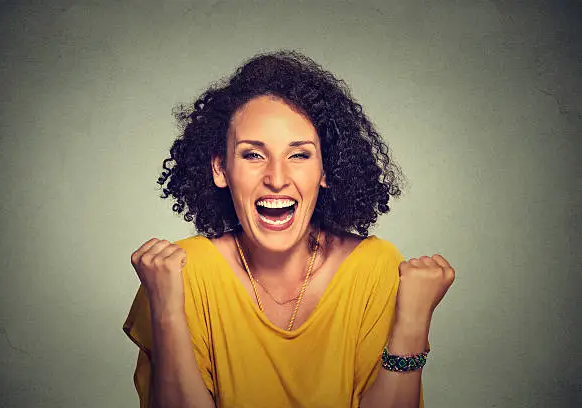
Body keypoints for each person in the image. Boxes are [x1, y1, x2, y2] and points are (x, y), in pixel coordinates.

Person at [123, 50, 455, 408]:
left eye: (299, 155)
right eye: (253, 154)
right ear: (221, 169)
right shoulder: (179, 272)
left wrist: (413, 323)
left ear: (326, 171)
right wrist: (168, 311)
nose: (277, 179)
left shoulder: (374, 267)